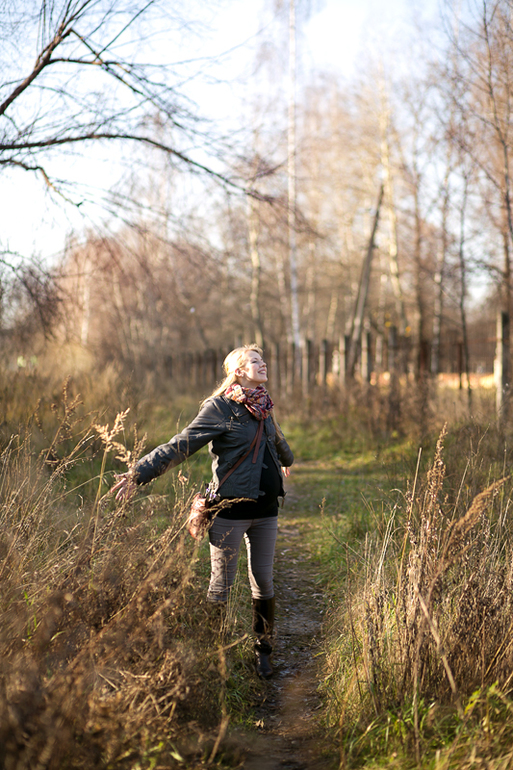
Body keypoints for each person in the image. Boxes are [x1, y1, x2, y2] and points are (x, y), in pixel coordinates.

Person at [111, 345, 294, 679]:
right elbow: (180, 445)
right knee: (221, 586)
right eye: (255, 360)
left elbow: (276, 440)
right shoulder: (220, 407)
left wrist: (285, 459)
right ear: (238, 371)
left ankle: (263, 650)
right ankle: (214, 657)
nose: (263, 363)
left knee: (264, 581)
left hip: (267, 511)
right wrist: (137, 474)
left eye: (262, 359)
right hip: (230, 512)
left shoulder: (264, 405)